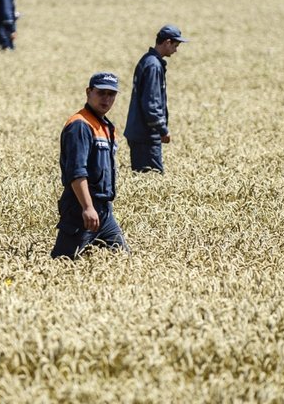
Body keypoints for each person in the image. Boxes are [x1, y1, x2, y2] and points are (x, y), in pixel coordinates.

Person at [51, 72, 129, 259]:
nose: (106, 98)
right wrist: (87, 207)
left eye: (111, 94)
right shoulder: (80, 125)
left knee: (123, 259)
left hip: (104, 211)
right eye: (101, 92)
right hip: (81, 209)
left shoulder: (105, 126)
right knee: (63, 261)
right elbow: (76, 172)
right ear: (89, 92)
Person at [124, 24, 189, 173]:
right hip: (146, 134)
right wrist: (162, 129)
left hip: (139, 132)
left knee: (144, 178)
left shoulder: (147, 60)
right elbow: (151, 103)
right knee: (151, 177)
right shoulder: (153, 65)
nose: (176, 50)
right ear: (167, 42)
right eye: (176, 45)